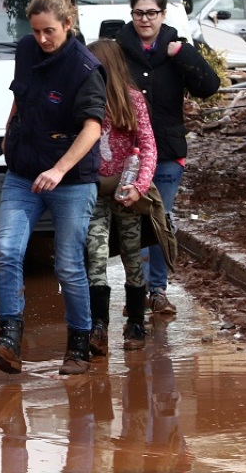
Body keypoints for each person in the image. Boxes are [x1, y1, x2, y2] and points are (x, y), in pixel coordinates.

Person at [0, 0, 106, 376]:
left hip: (71, 179)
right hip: (23, 172)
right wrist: (9, 129)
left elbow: (93, 129)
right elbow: (21, 93)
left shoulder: (86, 69)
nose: (42, 39)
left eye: (49, 31)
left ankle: (79, 346)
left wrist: (60, 169)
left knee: (68, 266)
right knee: (6, 251)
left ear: (69, 25)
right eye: (36, 31)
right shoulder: (27, 50)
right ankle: (9, 340)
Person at [115, 0, 220, 316]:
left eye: (152, 13)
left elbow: (209, 86)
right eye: (139, 13)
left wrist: (184, 54)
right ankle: (136, 289)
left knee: (161, 219)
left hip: (168, 153)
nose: (145, 19)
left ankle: (157, 290)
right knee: (130, 222)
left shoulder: (178, 49)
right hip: (128, 155)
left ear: (162, 14)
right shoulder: (118, 51)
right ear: (131, 15)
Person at [83, 38, 157, 354]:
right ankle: (99, 325)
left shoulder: (132, 100)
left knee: (131, 252)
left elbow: (150, 146)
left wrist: (139, 187)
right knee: (96, 254)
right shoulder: (86, 98)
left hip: (126, 189)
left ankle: (136, 323)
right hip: (94, 190)